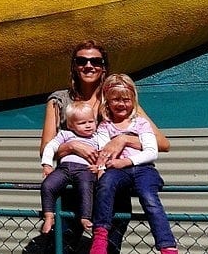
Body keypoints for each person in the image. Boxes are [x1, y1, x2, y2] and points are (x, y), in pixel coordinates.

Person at [39, 40, 170, 253]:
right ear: (74, 65)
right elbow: (46, 148)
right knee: (61, 247)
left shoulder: (117, 98)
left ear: (104, 67)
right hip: (74, 190)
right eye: (81, 61)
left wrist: (124, 139)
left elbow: (162, 144)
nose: (88, 66)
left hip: (111, 190)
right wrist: (73, 146)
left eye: (95, 61)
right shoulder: (59, 101)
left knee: (108, 249)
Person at [89, 74, 178, 254]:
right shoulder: (105, 127)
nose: (121, 104)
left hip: (143, 170)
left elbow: (151, 151)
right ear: (107, 102)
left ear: (133, 100)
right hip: (117, 171)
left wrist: (126, 161)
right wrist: (100, 168)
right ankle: (100, 235)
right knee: (106, 185)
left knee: (149, 198)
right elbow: (103, 151)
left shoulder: (141, 123)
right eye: (115, 100)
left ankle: (167, 245)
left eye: (126, 100)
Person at [40, 102, 109, 234]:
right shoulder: (65, 135)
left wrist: (100, 167)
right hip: (64, 168)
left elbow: (105, 153)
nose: (88, 125)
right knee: (47, 185)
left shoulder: (98, 137)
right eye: (82, 123)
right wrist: (47, 164)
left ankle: (85, 217)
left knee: (86, 188)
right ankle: (49, 216)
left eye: (91, 121)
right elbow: (50, 147)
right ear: (71, 125)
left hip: (85, 169)